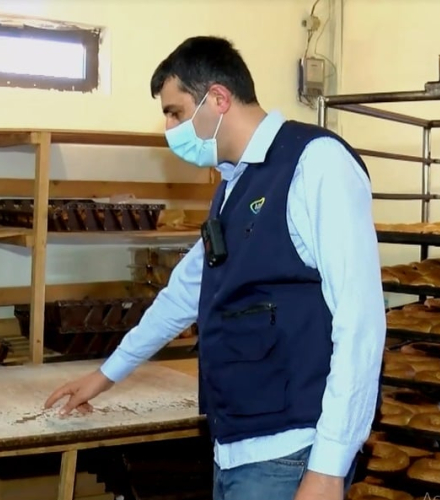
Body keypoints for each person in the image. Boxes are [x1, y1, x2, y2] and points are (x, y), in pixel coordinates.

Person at [44, 35, 385, 500]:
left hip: (291, 452)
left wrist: (329, 466)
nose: (169, 128)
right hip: (236, 445)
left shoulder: (315, 162)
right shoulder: (234, 183)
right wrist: (105, 375)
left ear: (219, 98)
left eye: (176, 112)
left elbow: (360, 319)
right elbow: (185, 292)